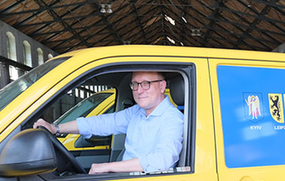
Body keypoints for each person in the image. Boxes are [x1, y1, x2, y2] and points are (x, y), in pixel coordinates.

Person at [33, 71, 184, 174]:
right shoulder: (137, 112)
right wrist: (55, 128)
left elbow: (162, 160)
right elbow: (102, 122)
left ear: (162, 86)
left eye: (146, 83)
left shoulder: (172, 119)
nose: (139, 90)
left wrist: (108, 167)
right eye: (135, 84)